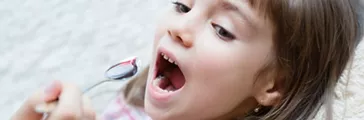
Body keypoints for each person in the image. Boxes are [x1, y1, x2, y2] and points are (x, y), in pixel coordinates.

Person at [10, 0, 364, 120]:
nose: (180, 27)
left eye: (223, 29)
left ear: (275, 84)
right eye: (182, 5)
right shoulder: (129, 103)